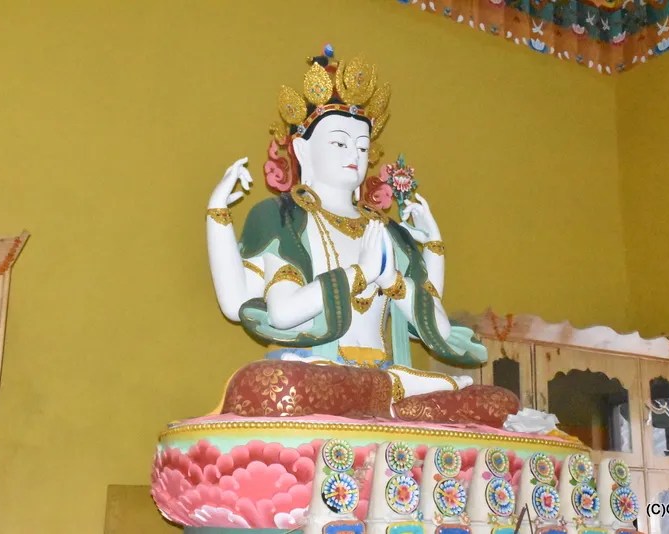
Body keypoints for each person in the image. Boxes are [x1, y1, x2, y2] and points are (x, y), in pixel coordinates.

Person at [204, 49, 518, 424]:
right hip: (318, 374)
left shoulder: (389, 233)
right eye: (339, 142)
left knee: (499, 402)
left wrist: (419, 260)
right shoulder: (282, 217)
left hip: (388, 378)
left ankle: (385, 402)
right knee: (270, 385)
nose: (354, 153)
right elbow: (271, 310)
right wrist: (217, 214)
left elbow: (436, 329)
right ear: (302, 149)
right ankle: (387, 405)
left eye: (362, 146)